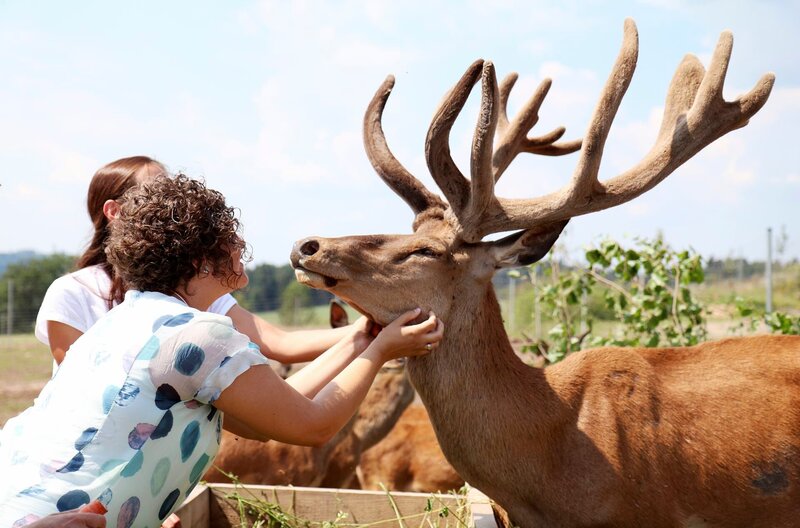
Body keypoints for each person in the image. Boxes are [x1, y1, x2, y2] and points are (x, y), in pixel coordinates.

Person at [0, 174, 444, 526]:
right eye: (229, 237)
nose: (241, 247)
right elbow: (312, 426)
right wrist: (382, 352)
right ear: (199, 258)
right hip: (53, 518)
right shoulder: (195, 335)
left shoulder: (128, 321)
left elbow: (266, 417)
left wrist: (360, 339)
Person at [35, 155, 352, 368]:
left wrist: (373, 330)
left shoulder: (191, 287)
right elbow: (83, 387)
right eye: (155, 193)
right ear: (114, 212)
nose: (173, 203)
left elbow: (279, 342)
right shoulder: (72, 293)